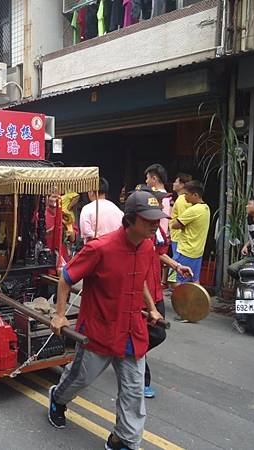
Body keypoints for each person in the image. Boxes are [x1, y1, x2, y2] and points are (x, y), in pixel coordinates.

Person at [48, 191, 166, 450]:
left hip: (132, 332)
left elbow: (141, 279)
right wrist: (59, 315)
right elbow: (66, 278)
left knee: (134, 393)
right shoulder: (99, 248)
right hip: (99, 330)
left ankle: (124, 440)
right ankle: (57, 398)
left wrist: (151, 309)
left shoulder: (147, 246)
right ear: (131, 219)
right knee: (79, 379)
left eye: (157, 219)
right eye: (149, 220)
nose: (155, 225)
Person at [135, 185, 192, 398]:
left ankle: (127, 353)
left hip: (155, 290)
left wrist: (176, 266)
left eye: (162, 202)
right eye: (158, 201)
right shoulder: (138, 230)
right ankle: (140, 377)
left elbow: (159, 253)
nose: (161, 205)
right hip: (141, 293)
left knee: (158, 334)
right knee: (146, 334)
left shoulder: (157, 229)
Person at [170, 180, 211, 285]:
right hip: (197, 251)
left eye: (186, 194)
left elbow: (174, 225)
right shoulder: (206, 208)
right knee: (195, 280)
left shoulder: (193, 210)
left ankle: (180, 301)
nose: (184, 197)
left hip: (185, 250)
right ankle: (196, 301)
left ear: (195, 195)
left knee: (176, 281)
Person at [79, 177, 124, 243]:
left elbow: (86, 232)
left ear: (91, 192)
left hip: (96, 248)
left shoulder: (87, 209)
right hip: (115, 247)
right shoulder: (117, 209)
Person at [167, 173, 193, 288]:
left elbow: (182, 221)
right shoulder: (181, 199)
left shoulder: (182, 200)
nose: (174, 183)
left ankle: (180, 294)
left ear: (182, 185)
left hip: (178, 238)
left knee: (176, 267)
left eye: (176, 182)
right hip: (177, 237)